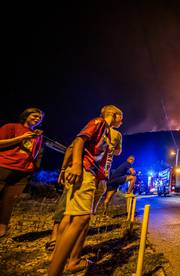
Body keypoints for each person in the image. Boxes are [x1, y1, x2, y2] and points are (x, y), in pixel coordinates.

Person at [48, 105, 123, 275]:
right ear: (114, 115)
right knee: (79, 218)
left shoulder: (106, 131)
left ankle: (68, 259)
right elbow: (78, 141)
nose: (122, 121)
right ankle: (55, 269)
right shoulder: (98, 122)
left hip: (95, 174)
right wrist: (73, 166)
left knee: (79, 218)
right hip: (85, 171)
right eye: (121, 117)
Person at [0, 108, 44, 238]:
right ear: (26, 115)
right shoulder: (11, 127)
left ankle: (2, 230)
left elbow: (35, 154)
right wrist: (22, 138)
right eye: (35, 116)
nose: (37, 119)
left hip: (23, 170)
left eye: (39, 118)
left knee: (9, 200)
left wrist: (34, 168)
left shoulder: (37, 135)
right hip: (4, 165)